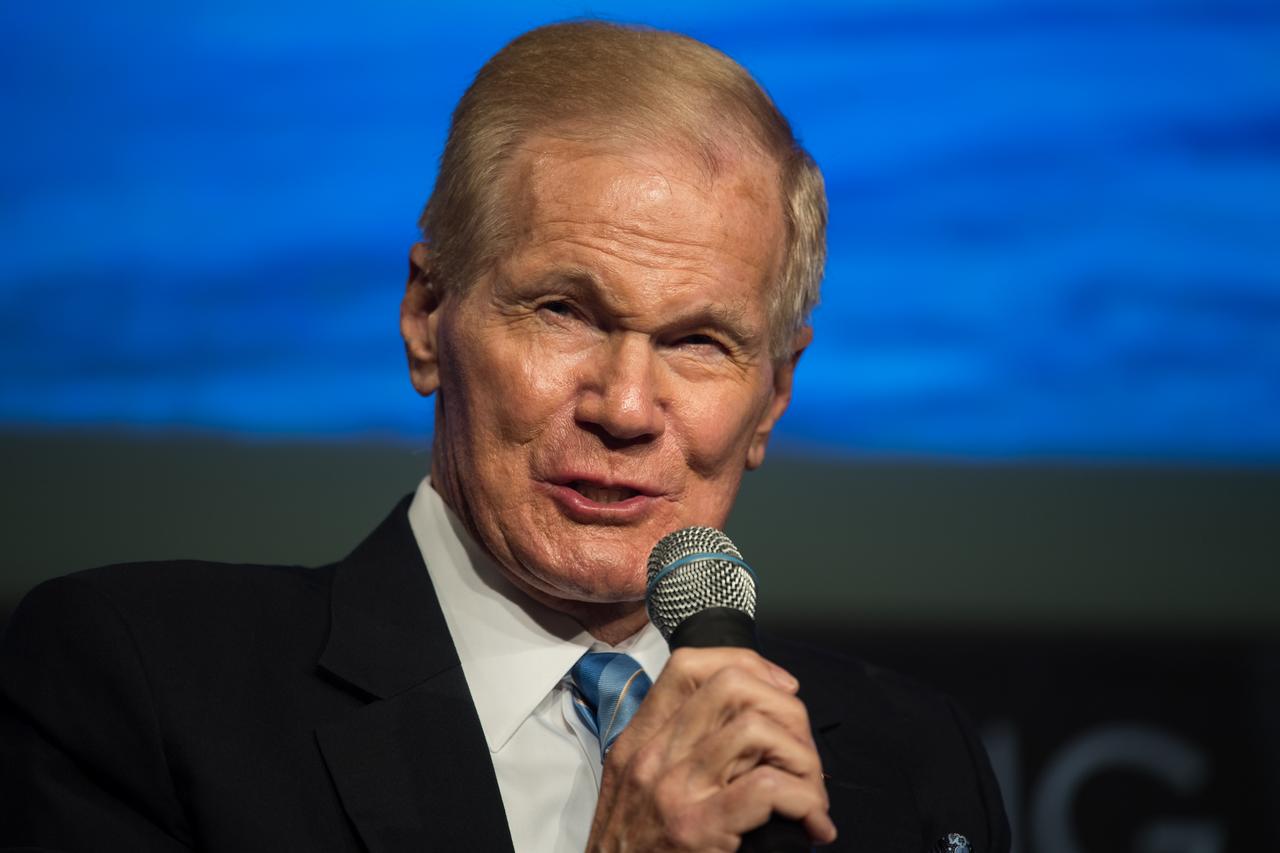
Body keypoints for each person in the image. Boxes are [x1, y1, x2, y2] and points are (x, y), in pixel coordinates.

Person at [0, 21, 1009, 853]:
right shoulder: (147, 683)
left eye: (699, 342)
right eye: (563, 311)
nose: (625, 407)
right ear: (426, 316)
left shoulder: (909, 761)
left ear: (774, 395)